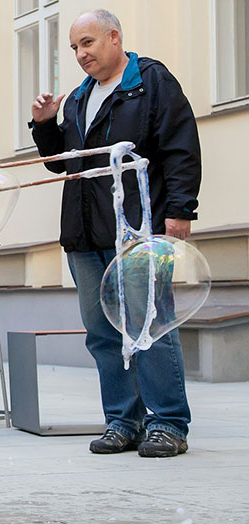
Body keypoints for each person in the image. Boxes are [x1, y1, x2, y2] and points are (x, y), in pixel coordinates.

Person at [29, 9, 200, 458]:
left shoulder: (150, 83)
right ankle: (123, 421)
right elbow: (66, 162)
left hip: (137, 232)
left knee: (150, 327)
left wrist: (181, 210)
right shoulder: (81, 97)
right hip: (84, 235)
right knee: (102, 332)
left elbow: (181, 147)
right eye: (74, 48)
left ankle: (167, 423)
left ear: (114, 37)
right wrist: (46, 125)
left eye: (87, 43)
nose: (81, 55)